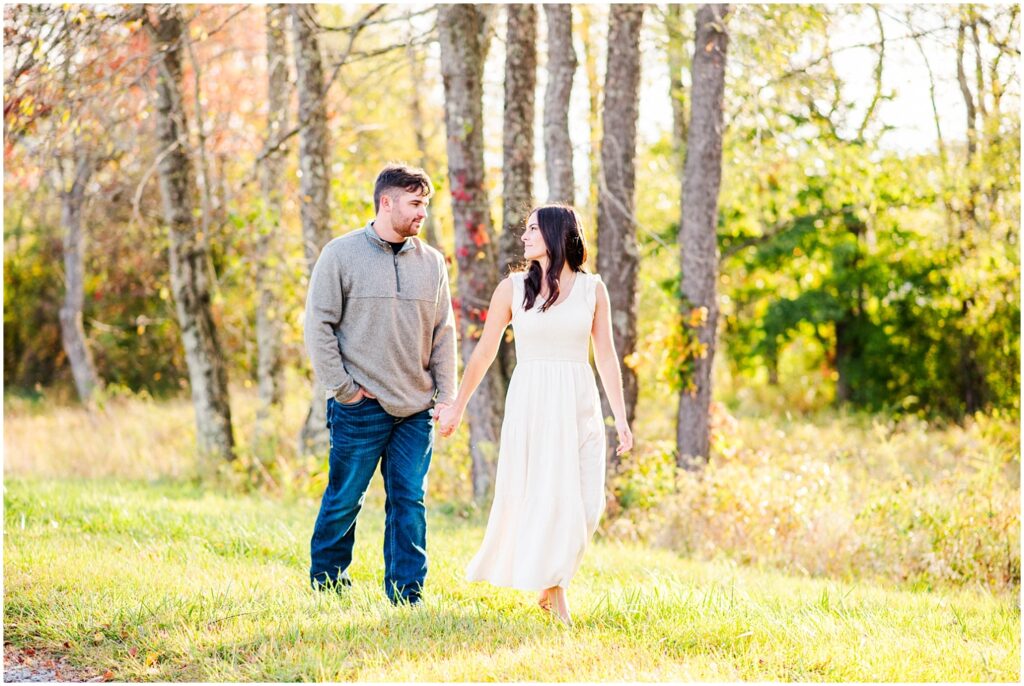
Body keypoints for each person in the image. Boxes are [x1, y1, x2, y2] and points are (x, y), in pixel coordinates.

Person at [435, 205, 633, 625]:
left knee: (588, 502)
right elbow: (485, 351)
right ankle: (557, 594)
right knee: (550, 496)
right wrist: (457, 405)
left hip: (578, 402)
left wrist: (621, 418)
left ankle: (549, 587)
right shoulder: (511, 288)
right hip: (533, 403)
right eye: (523, 229)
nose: (523, 237)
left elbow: (607, 357)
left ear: (557, 234)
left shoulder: (592, 289)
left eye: (531, 229)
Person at [304, 163, 456, 605]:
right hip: (360, 405)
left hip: (415, 409)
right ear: (385, 203)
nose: (421, 213)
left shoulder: (433, 263)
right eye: (414, 204)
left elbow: (442, 333)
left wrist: (446, 396)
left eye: (424, 204)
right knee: (346, 497)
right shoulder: (340, 254)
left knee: (410, 501)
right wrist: (344, 390)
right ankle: (328, 585)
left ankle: (406, 595)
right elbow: (318, 327)